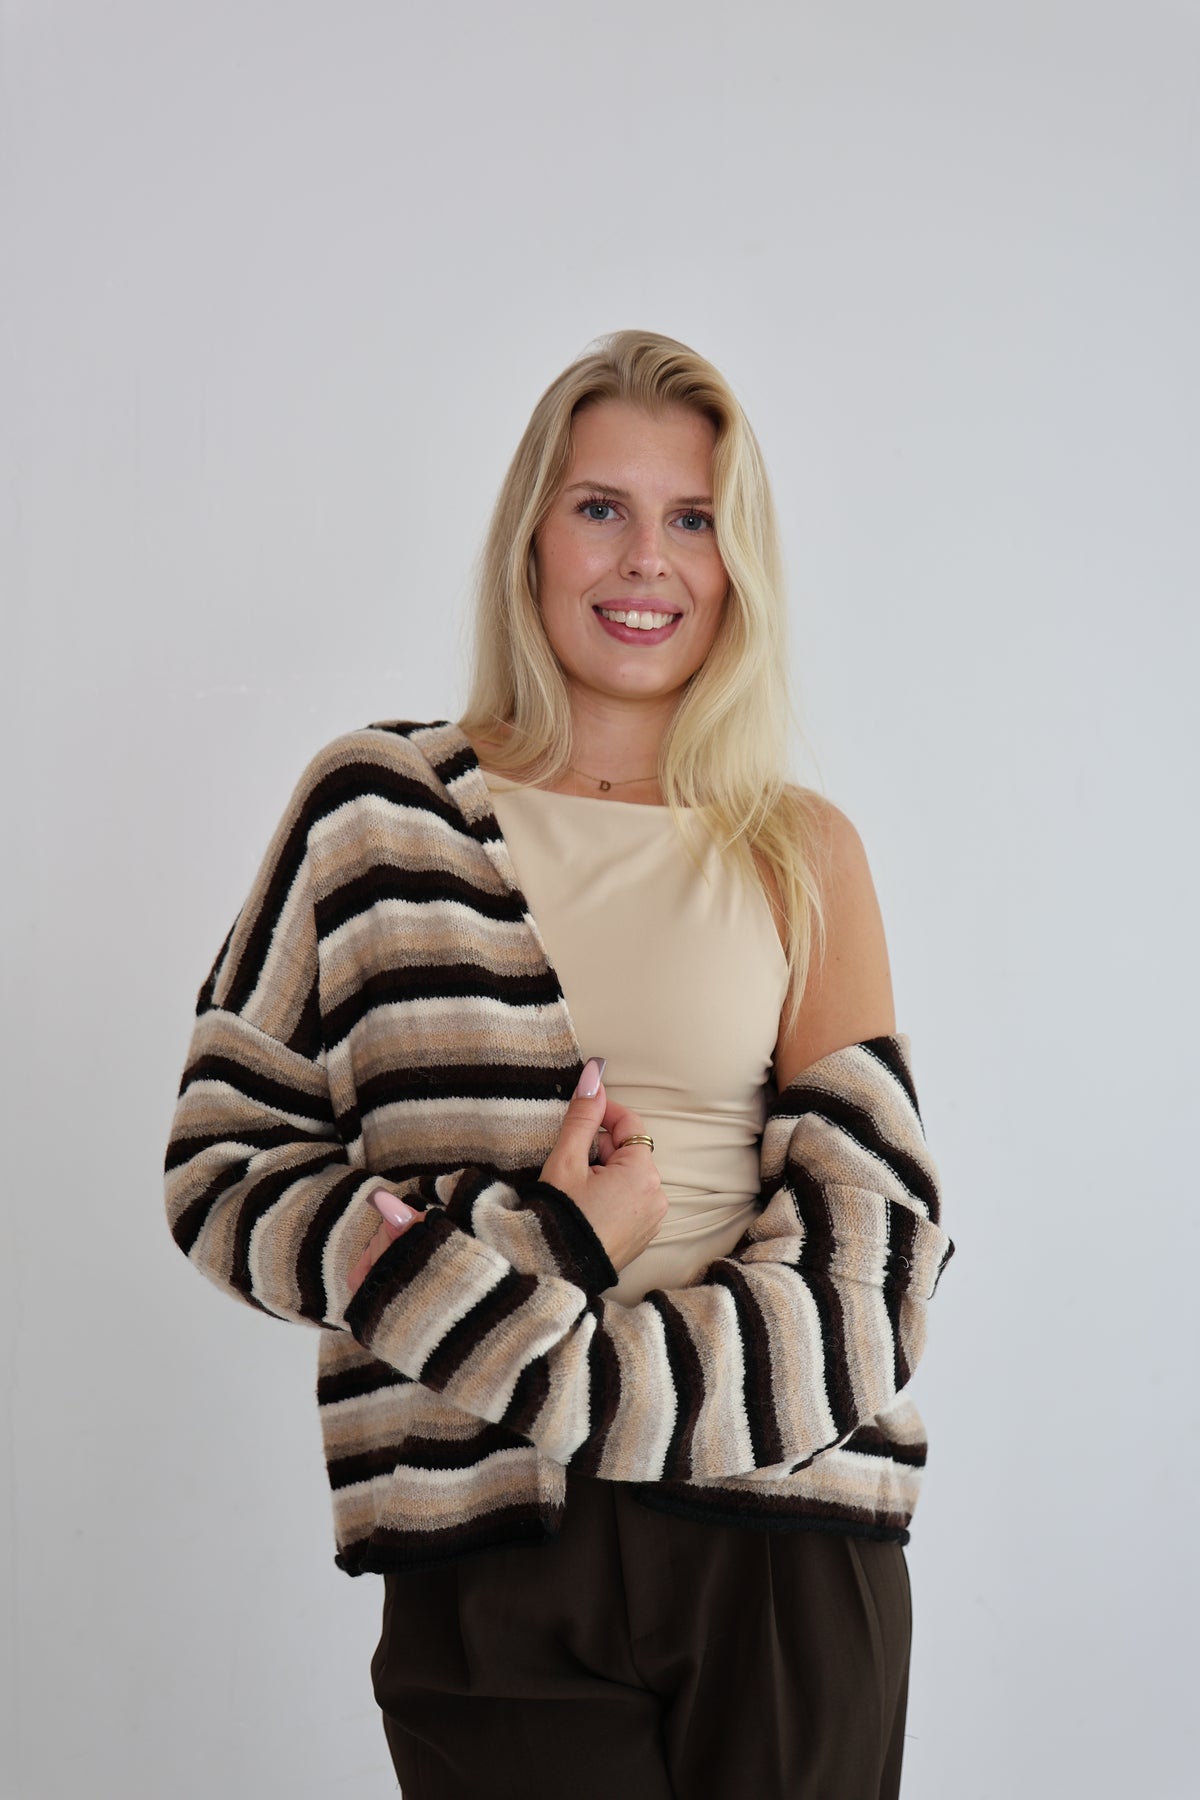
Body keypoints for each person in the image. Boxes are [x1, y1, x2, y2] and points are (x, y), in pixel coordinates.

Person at [164, 329, 953, 1799]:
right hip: (487, 1531)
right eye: (601, 507)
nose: (646, 559)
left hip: (781, 1512)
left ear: (738, 563)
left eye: (693, 518)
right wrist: (540, 1246)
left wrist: (610, 1385)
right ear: (531, 533)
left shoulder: (801, 849)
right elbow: (224, 1174)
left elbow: (875, 1236)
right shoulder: (374, 816)